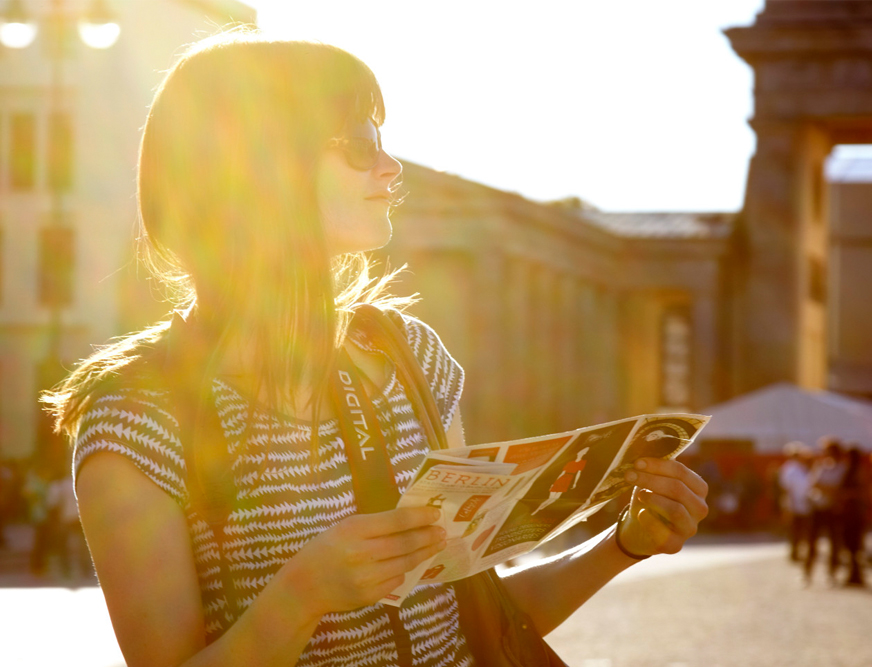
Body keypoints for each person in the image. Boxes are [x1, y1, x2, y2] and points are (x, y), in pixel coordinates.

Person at [41, 30, 708, 667]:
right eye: (358, 144)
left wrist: (621, 543)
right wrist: (303, 596)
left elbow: (481, 614)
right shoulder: (137, 416)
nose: (391, 167)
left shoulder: (408, 355)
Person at [804, 438, 848, 585]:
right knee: (811, 542)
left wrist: (826, 488)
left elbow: (840, 489)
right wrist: (830, 489)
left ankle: (832, 573)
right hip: (818, 508)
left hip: (832, 509)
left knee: (834, 543)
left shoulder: (842, 468)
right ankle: (807, 573)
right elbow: (814, 484)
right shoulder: (821, 466)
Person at [838, 446, 870, 586]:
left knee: (854, 545)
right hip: (849, 512)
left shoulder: (858, 471)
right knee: (850, 544)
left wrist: (847, 495)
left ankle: (856, 574)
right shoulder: (849, 471)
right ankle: (854, 573)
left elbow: (862, 492)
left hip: (855, 513)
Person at [778, 441, 812, 562]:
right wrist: (789, 506)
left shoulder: (803, 468)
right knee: (794, 531)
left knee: (803, 530)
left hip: (804, 505)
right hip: (794, 505)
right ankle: (794, 553)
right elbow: (787, 489)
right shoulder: (789, 468)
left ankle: (800, 551)